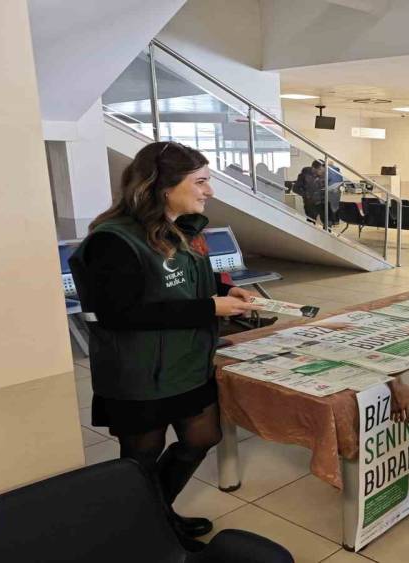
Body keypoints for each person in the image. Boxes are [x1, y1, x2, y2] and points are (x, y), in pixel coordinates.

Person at [69, 141, 261, 551]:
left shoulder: (183, 229)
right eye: (200, 181)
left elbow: (183, 280)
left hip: (186, 361)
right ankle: (142, 532)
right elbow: (119, 313)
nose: (209, 191)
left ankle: (154, 513)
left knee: (202, 438)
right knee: (141, 456)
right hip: (139, 373)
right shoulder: (112, 241)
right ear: (163, 186)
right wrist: (209, 307)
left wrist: (225, 289)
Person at [294, 160, 327, 225]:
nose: (322, 172)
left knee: (327, 222)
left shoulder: (323, 175)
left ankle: (326, 231)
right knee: (311, 222)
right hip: (310, 203)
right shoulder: (304, 175)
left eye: (324, 170)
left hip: (322, 201)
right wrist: (307, 195)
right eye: (320, 170)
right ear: (313, 168)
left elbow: (324, 186)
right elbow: (295, 189)